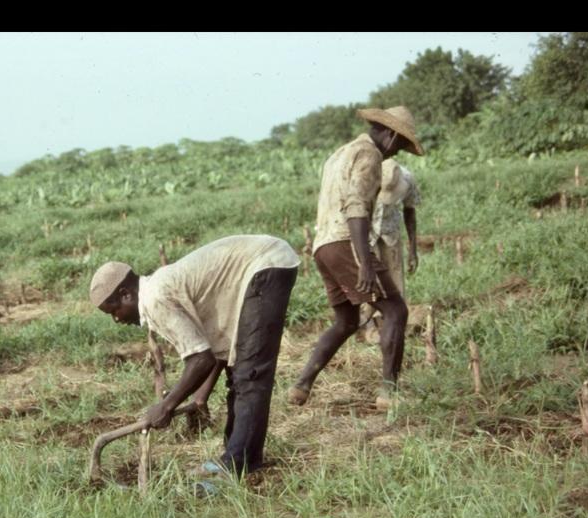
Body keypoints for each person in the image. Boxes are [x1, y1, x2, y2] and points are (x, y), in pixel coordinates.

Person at [90, 235, 299, 482]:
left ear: (126, 294)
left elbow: (201, 359)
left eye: (114, 310)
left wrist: (166, 406)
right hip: (259, 266)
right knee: (239, 374)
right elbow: (212, 353)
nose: (116, 319)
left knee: (250, 374)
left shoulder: (155, 299)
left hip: (265, 263)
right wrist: (200, 396)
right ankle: (235, 458)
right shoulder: (159, 288)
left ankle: (237, 466)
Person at [288, 106, 424, 409]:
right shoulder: (370, 154)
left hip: (323, 246)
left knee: (347, 320)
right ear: (390, 135)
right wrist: (365, 261)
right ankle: (389, 393)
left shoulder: (340, 153)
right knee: (396, 311)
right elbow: (355, 207)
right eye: (399, 146)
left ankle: (301, 386)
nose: (395, 154)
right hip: (346, 242)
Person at [359, 159, 421, 341]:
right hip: (366, 234)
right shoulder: (364, 177)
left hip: (390, 232)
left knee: (395, 283)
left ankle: (390, 327)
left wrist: (413, 249)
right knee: (367, 280)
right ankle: (368, 326)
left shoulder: (407, 179)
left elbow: (410, 212)